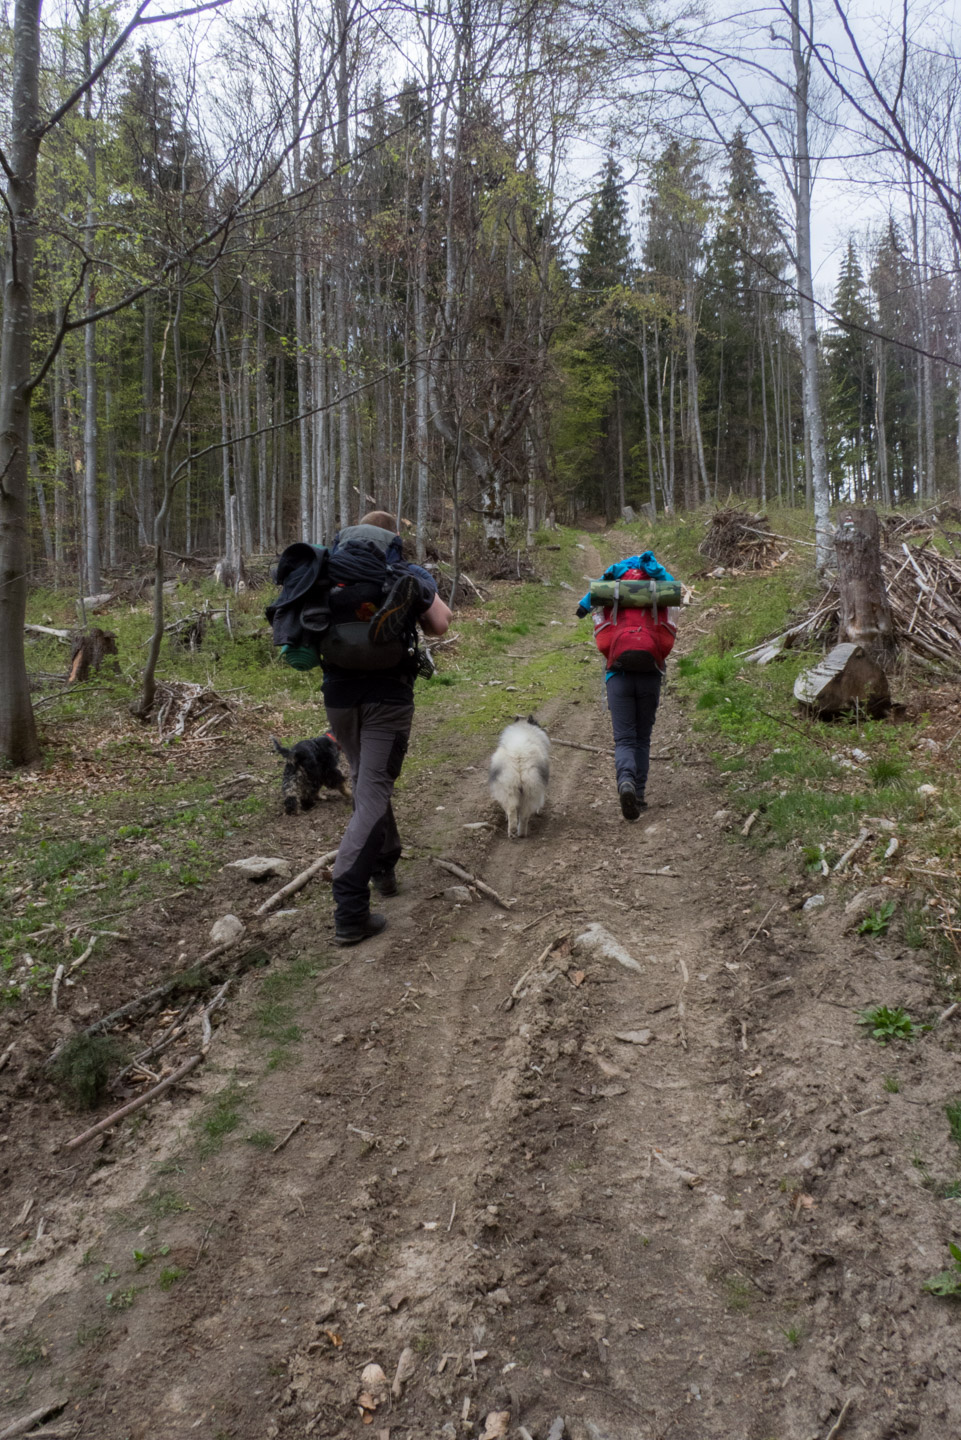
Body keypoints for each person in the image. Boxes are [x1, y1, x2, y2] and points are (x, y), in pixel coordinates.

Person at [322, 511, 452, 945]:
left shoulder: (330, 568)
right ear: (391, 538)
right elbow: (439, 625)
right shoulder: (401, 571)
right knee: (373, 788)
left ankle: (385, 866)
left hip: (339, 697)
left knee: (365, 779)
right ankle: (350, 907)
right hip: (388, 697)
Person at [576, 550, 677, 822]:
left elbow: (593, 616)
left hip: (617, 673)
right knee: (642, 737)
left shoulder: (611, 589)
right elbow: (673, 620)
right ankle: (640, 796)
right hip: (651, 671)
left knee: (624, 739)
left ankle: (626, 783)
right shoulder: (660, 588)